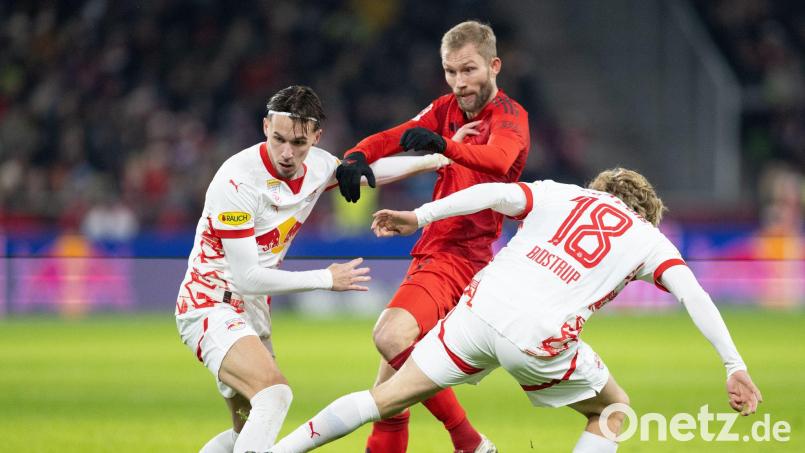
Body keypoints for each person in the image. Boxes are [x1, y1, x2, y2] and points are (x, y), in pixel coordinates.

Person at [269, 168, 763, 453]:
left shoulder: (565, 194)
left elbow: (494, 194)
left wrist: (419, 215)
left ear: (603, 189)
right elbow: (693, 294)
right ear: (645, 211)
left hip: (480, 306)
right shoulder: (648, 238)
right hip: (538, 334)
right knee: (614, 410)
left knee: (387, 397)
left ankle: (277, 451)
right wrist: (733, 366)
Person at [174, 85, 452, 453]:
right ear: (265, 127)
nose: (287, 153)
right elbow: (246, 278)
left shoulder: (319, 165)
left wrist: (434, 160)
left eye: (299, 143)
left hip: (252, 310)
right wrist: (326, 279)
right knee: (274, 396)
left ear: (316, 137)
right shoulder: (236, 180)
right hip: (209, 302)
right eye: (279, 139)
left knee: (245, 435)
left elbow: (369, 172)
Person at [334, 20, 530, 453]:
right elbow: (395, 136)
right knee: (388, 398)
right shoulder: (446, 109)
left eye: (469, 70)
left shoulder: (511, 118)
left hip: (460, 256)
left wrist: (443, 146)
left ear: (494, 65)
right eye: (450, 72)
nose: (459, 83)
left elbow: (497, 160)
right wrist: (354, 157)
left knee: (389, 337)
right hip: (436, 251)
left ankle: (470, 441)